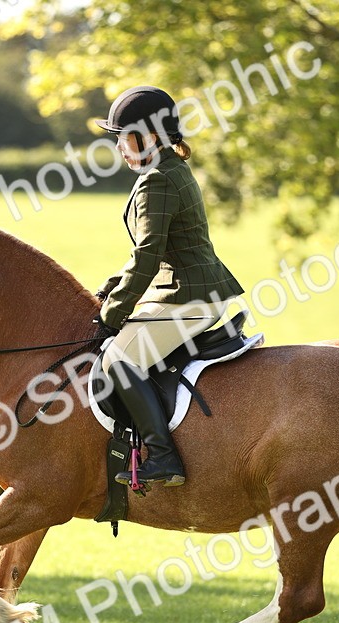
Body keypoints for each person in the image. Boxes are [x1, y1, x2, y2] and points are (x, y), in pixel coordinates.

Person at [93, 86, 245, 488]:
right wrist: (109, 289)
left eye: (125, 137)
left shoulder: (156, 180)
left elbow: (147, 255)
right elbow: (150, 254)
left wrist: (111, 315)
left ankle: (162, 455)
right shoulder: (168, 171)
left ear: (152, 136)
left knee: (119, 361)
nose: (120, 147)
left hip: (189, 296)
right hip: (191, 290)